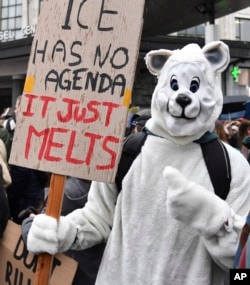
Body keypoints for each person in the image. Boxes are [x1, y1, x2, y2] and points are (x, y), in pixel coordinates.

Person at [21, 42, 250, 285]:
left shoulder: (232, 167)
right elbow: (97, 219)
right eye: (174, 85)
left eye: (194, 86)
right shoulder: (126, 152)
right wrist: (61, 232)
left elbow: (243, 260)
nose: (183, 96)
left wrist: (211, 217)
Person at [21, 177, 105, 285]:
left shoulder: (66, 191)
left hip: (69, 273)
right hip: (91, 271)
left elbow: (39, 237)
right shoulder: (96, 187)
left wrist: (29, 222)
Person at [6, 95, 49, 224]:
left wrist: (12, 194)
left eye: (18, 107)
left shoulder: (24, 132)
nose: (15, 111)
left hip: (25, 195)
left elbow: (21, 170)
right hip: (35, 190)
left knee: (23, 228)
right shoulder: (38, 128)